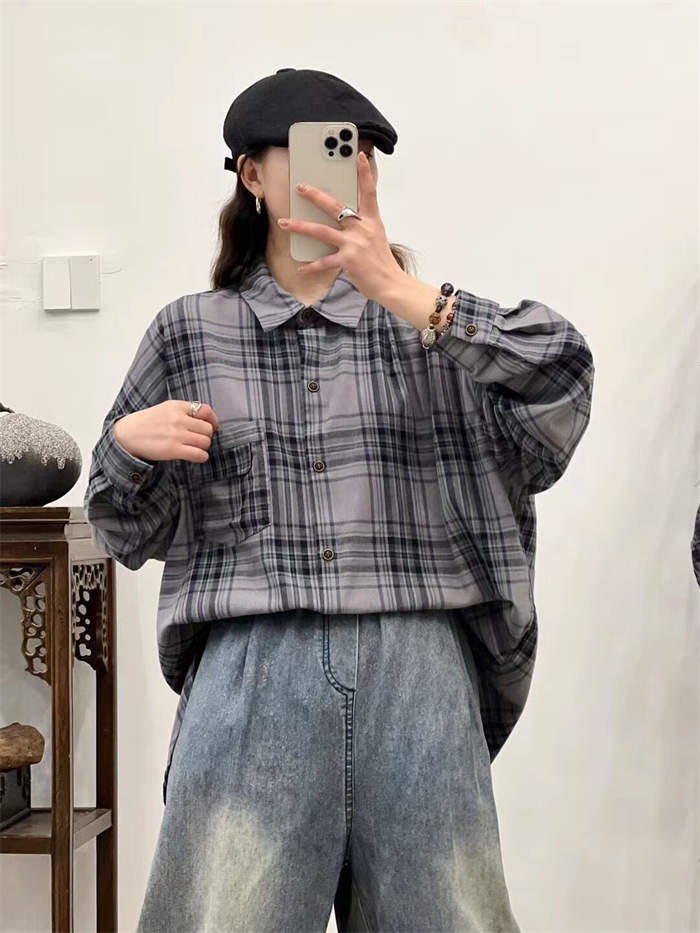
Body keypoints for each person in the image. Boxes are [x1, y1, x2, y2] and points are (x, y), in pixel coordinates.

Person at [84, 69, 595, 932]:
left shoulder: (431, 327)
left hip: (419, 670)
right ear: (253, 174)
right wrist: (126, 447)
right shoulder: (190, 331)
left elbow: (563, 384)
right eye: (321, 148)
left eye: (358, 154)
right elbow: (122, 528)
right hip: (252, 671)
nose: (346, 169)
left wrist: (402, 292)